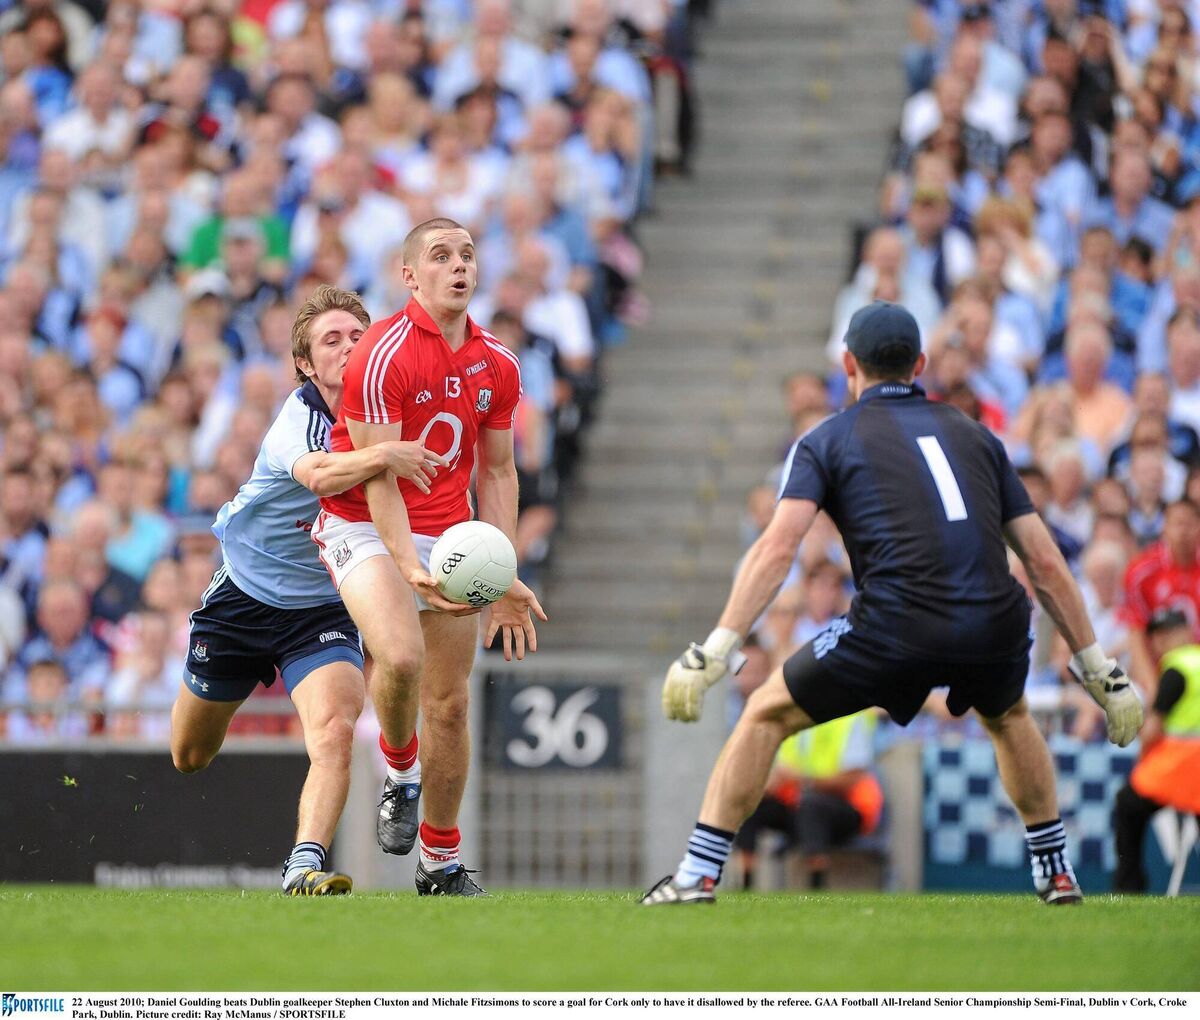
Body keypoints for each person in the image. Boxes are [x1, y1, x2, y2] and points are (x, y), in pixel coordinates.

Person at [642, 301, 1144, 907]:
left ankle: (697, 874)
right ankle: (1055, 870)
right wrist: (1098, 667)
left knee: (765, 714)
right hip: (993, 621)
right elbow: (1043, 561)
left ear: (848, 363)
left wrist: (716, 648)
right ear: (921, 365)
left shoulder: (826, 438)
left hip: (896, 623)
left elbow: (778, 548)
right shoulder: (979, 436)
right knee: (1008, 718)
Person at [170, 285, 446, 897]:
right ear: (304, 363)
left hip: (322, 601)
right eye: (331, 340)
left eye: (357, 336)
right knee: (190, 754)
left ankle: (303, 865)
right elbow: (321, 474)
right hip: (243, 595)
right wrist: (386, 457)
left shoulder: (391, 410)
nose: (348, 348)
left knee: (335, 729)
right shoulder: (297, 420)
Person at [313, 217, 547, 897]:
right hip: (361, 524)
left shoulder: (498, 362)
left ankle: (440, 863)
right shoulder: (382, 352)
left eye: (468, 255)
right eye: (440, 256)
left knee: (449, 706)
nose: (458, 266)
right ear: (409, 275)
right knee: (403, 658)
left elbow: (498, 473)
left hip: (450, 533)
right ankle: (399, 766)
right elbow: (379, 474)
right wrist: (405, 562)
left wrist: (502, 576)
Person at [733, 710, 883, 891]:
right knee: (753, 804)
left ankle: (816, 884)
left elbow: (853, 777)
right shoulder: (791, 720)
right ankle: (745, 883)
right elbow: (783, 771)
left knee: (811, 806)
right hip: (799, 804)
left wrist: (805, 780)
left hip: (848, 809)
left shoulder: (849, 719)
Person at [1112, 607, 1200, 894]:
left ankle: (1129, 885)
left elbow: (1153, 730)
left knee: (1127, 805)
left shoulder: (1176, 668)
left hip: (1184, 765)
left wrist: (1132, 731)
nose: (1162, 642)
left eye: (1166, 634)